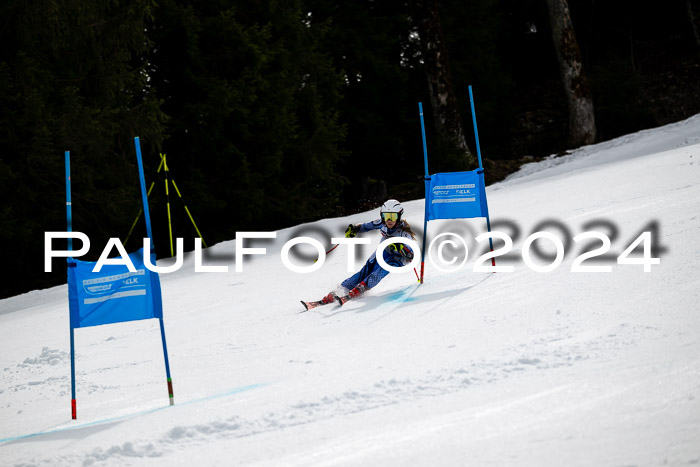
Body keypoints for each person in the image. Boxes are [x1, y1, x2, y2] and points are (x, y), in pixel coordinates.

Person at [325, 199, 416, 304]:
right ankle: (341, 290)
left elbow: (411, 256)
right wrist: (355, 229)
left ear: (399, 216)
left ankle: (360, 289)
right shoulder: (383, 224)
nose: (389, 220)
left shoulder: (404, 234)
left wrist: (400, 248)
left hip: (397, 259)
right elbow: (367, 226)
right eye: (386, 216)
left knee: (379, 271)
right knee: (365, 271)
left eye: (393, 216)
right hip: (384, 251)